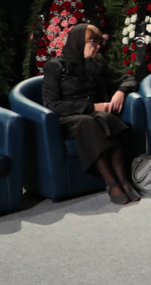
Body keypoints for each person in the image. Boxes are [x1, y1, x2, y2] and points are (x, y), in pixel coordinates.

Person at [42, 23, 141, 205]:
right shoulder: (54, 66)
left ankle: (123, 179)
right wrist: (92, 106)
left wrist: (121, 91)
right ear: (78, 42)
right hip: (67, 117)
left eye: (98, 43)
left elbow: (129, 78)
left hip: (94, 114)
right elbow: (51, 104)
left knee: (107, 118)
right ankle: (111, 183)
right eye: (92, 43)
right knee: (86, 122)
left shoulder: (97, 62)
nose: (97, 47)